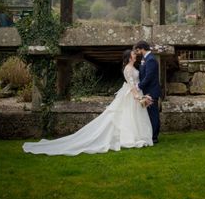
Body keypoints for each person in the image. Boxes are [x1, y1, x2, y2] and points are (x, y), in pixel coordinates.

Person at [22, 49, 153, 156]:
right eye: (133, 54)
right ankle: (130, 138)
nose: (135, 55)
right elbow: (131, 85)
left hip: (135, 93)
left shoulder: (132, 67)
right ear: (129, 57)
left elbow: (135, 83)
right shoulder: (128, 69)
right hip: (131, 94)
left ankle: (136, 136)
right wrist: (138, 97)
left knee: (132, 116)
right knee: (127, 116)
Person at [134, 40, 161, 144]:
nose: (137, 52)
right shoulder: (145, 59)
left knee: (153, 115)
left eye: (138, 50)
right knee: (149, 115)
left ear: (142, 49)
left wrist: (139, 86)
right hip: (146, 92)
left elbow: (149, 77)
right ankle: (151, 135)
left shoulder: (151, 60)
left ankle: (154, 137)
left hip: (151, 92)